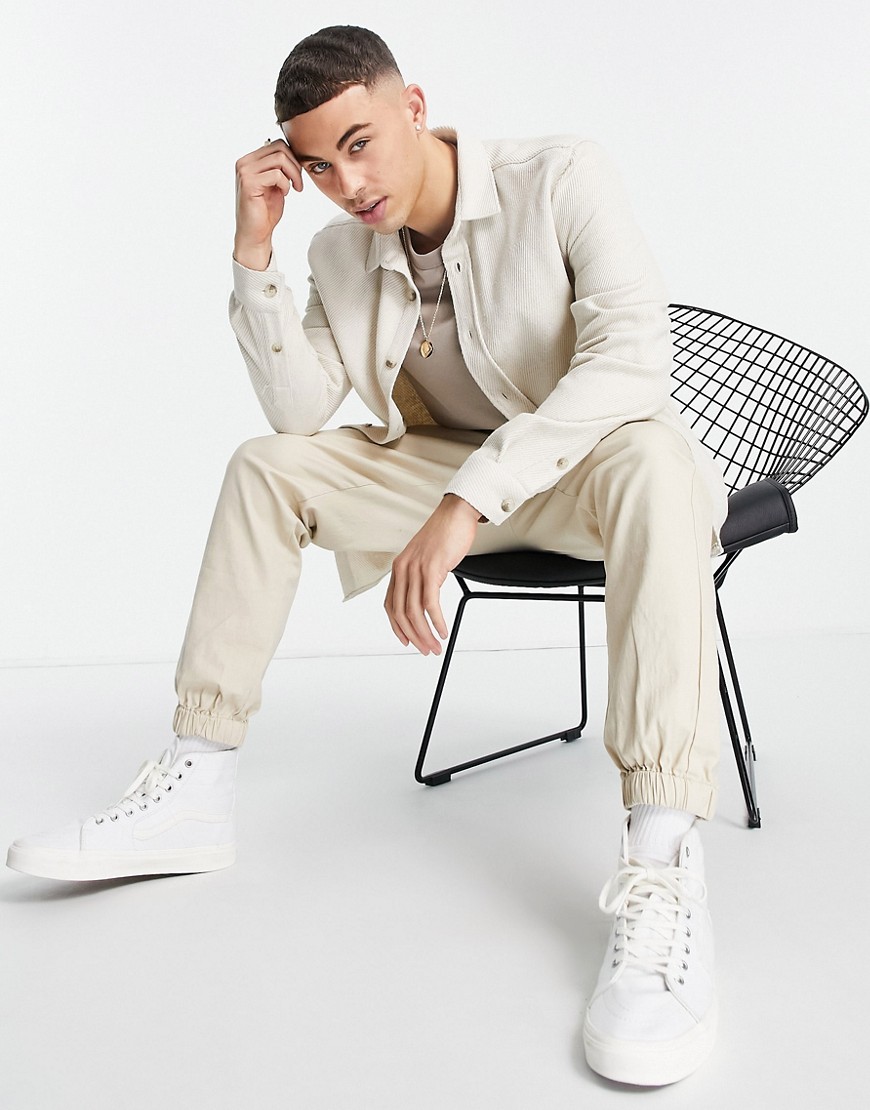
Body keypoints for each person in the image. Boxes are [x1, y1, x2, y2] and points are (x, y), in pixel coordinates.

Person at [7, 25, 729, 1087]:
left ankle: (661, 864)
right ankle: (198, 778)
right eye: (317, 167)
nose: (347, 185)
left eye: (359, 144)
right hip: (442, 477)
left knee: (661, 463)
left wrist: (466, 502)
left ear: (413, 106)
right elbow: (300, 412)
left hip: (587, 473)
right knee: (267, 467)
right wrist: (254, 253)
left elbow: (631, 362)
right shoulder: (338, 253)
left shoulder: (561, 176)